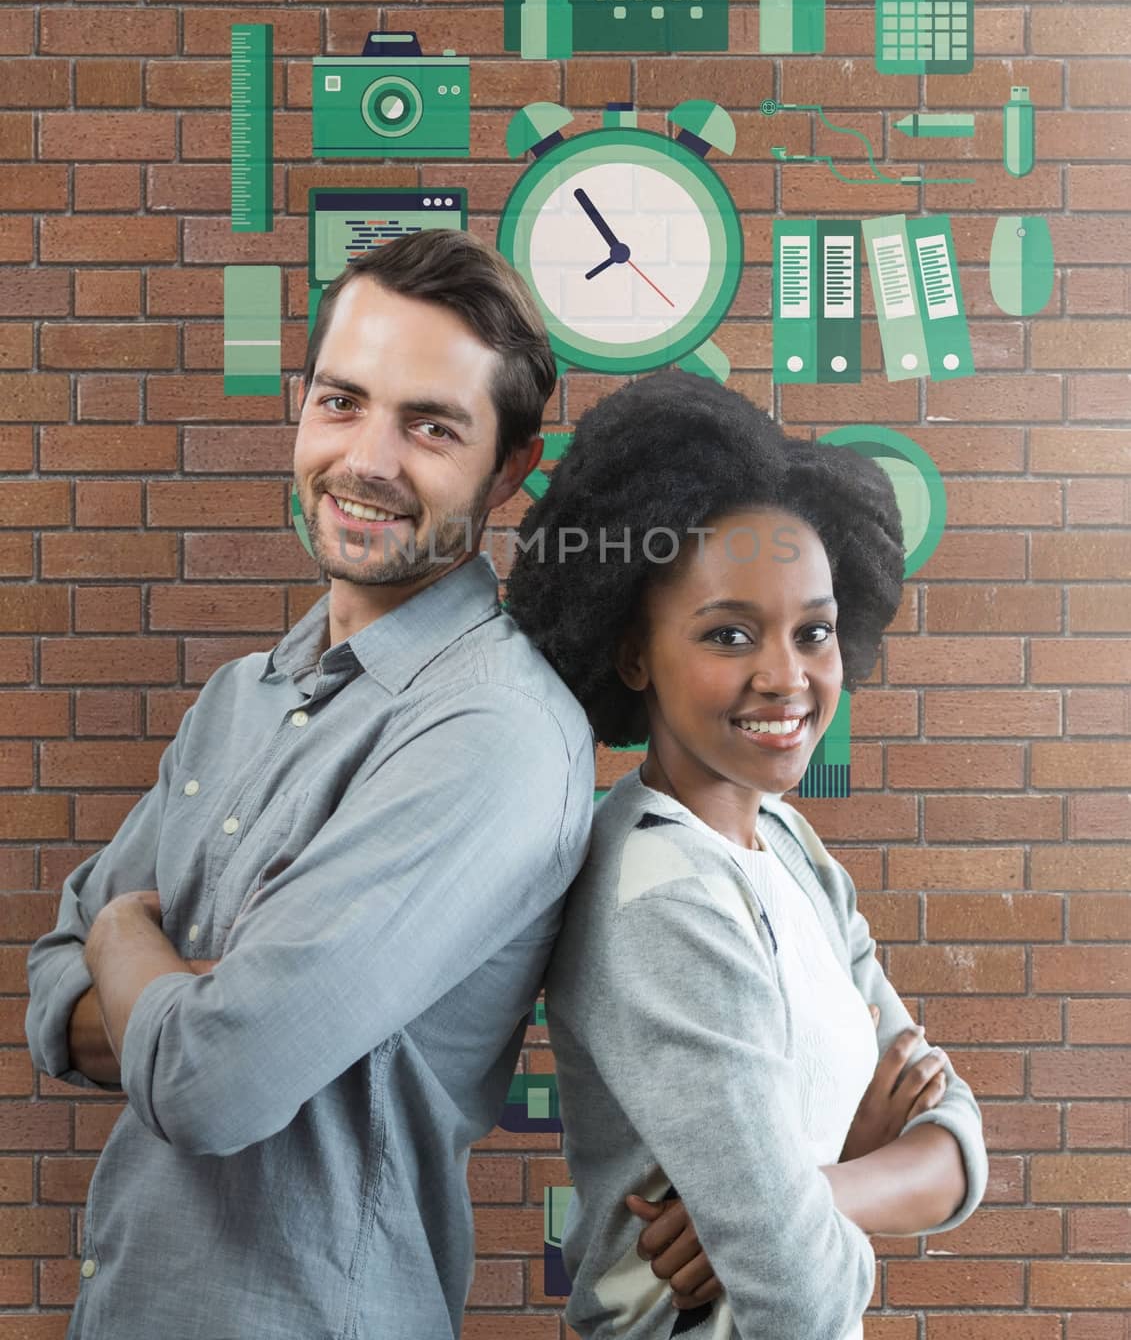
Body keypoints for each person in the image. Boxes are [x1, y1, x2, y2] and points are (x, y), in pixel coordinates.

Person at [24, 229, 605, 1340]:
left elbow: (212, 1081)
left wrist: (120, 943)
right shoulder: (244, 694)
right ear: (301, 406)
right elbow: (52, 992)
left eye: (431, 426)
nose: (368, 458)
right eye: (342, 401)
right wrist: (170, 989)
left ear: (510, 467)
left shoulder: (497, 732)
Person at [505, 370, 990, 1339]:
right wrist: (814, 1197)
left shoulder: (794, 849)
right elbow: (806, 1297)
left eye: (814, 631)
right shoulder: (657, 896)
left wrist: (813, 1189)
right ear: (634, 653)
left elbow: (959, 1143)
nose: (787, 675)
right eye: (730, 633)